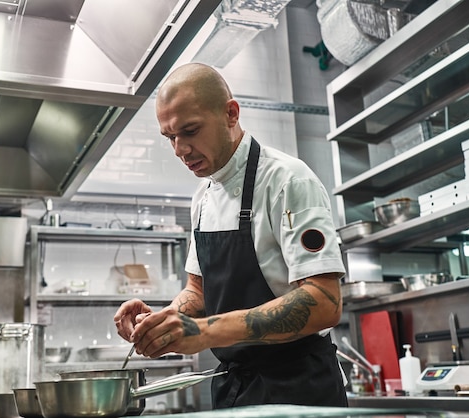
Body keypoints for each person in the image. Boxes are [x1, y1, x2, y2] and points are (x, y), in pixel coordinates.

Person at [114, 63, 348, 408]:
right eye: (170, 138)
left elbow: (324, 302)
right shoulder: (203, 197)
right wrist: (163, 322)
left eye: (190, 131)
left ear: (230, 113)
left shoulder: (288, 181)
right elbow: (199, 291)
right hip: (234, 389)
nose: (180, 150)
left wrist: (205, 332)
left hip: (299, 390)